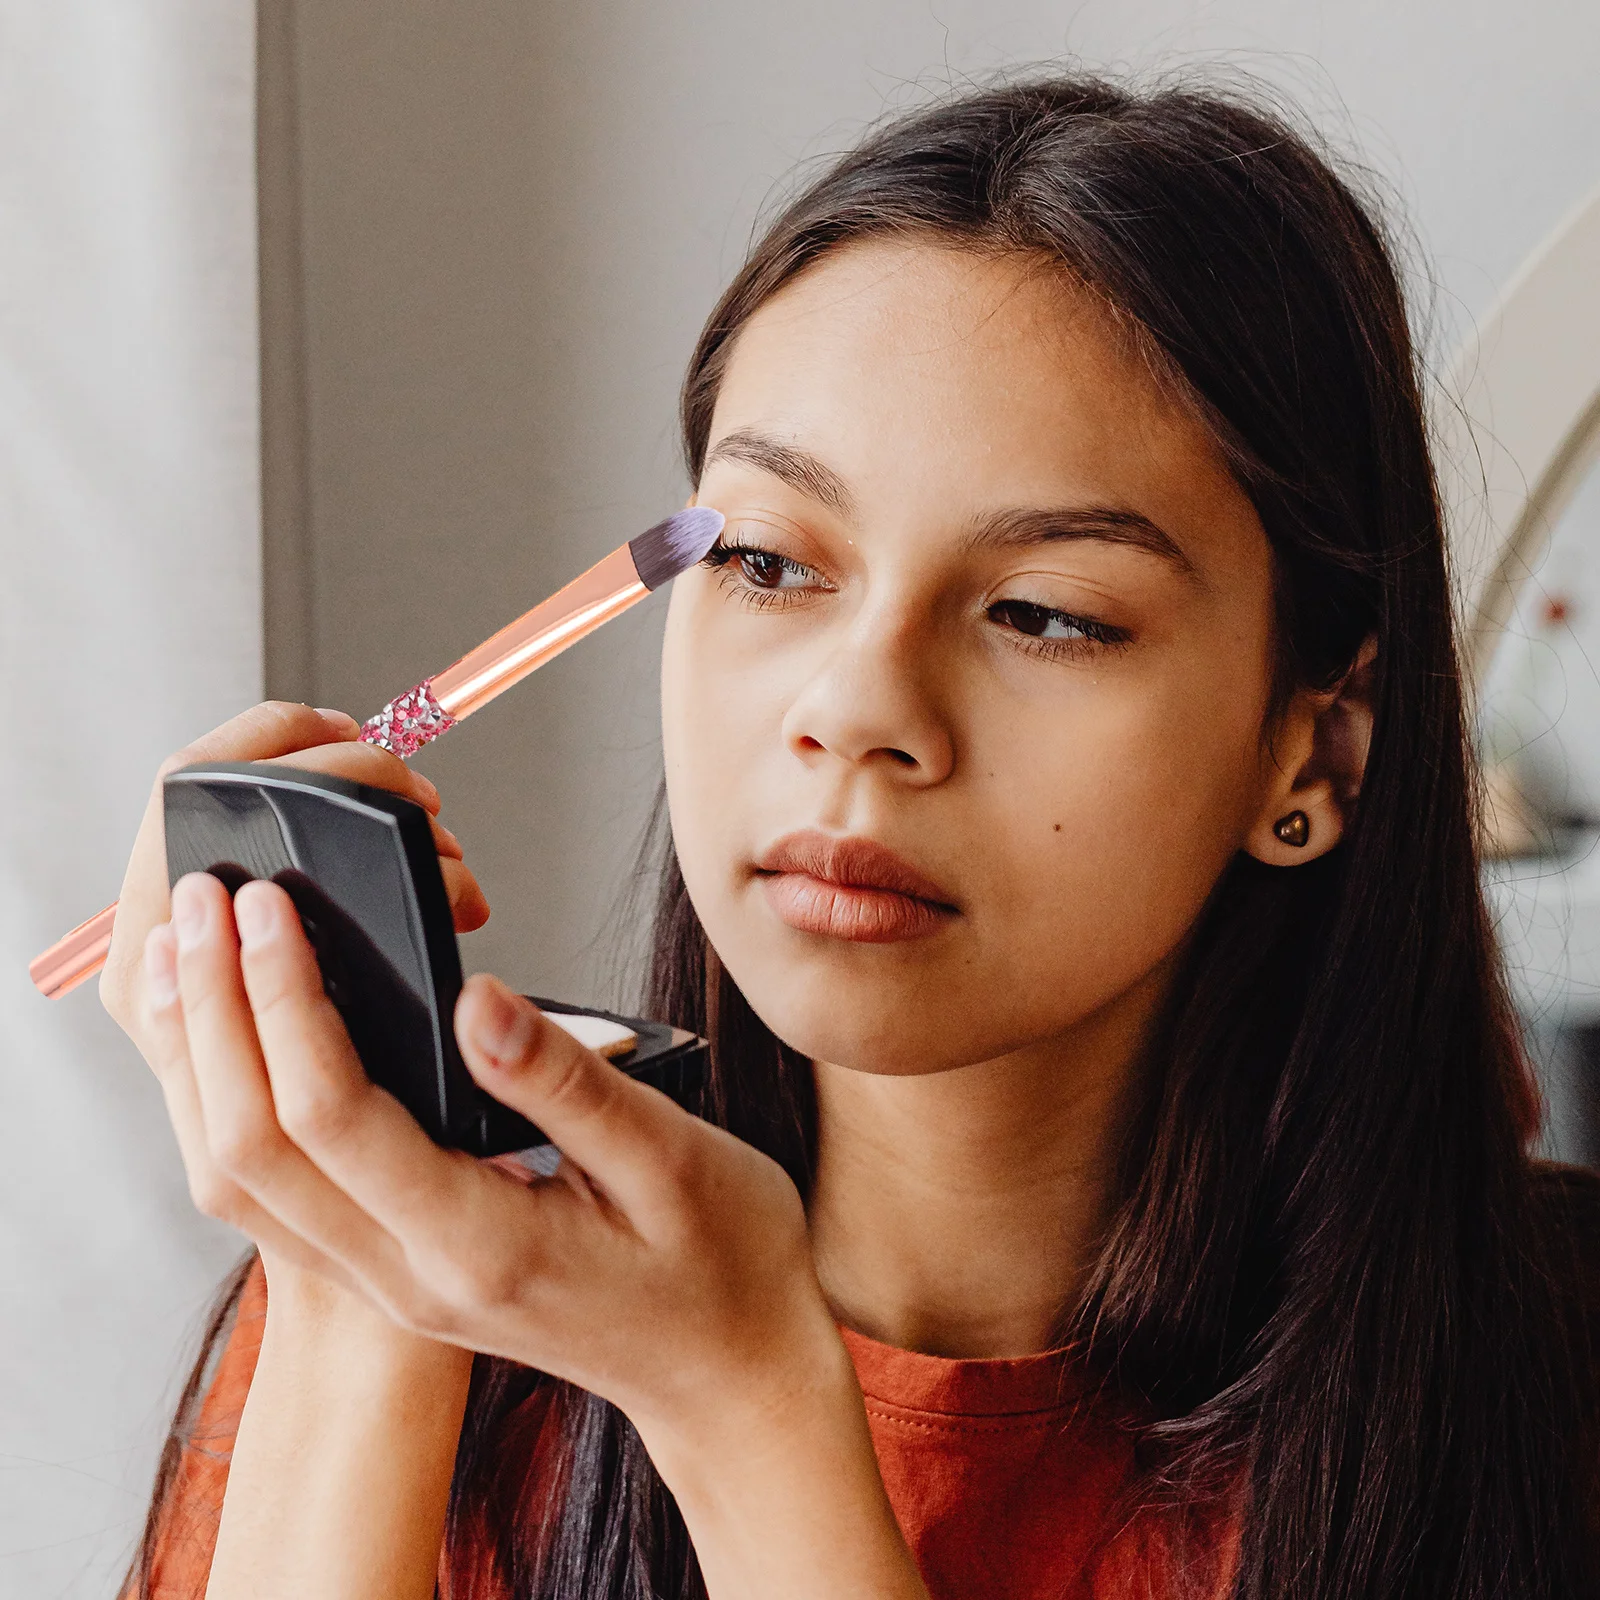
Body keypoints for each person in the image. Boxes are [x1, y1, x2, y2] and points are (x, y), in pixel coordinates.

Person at [101, 74, 1598, 1600]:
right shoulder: (441, 1331)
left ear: (1317, 747)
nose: (859, 707)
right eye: (765, 559)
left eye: (1046, 614)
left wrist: (742, 1404)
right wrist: (363, 1290)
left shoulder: (1543, 1401)